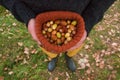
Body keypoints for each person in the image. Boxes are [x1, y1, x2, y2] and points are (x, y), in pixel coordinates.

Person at [0, 0, 115, 72]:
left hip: (80, 24)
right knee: (49, 49)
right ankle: (53, 57)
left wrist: (89, 19)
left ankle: (69, 56)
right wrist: (26, 15)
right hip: (39, 25)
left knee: (74, 47)